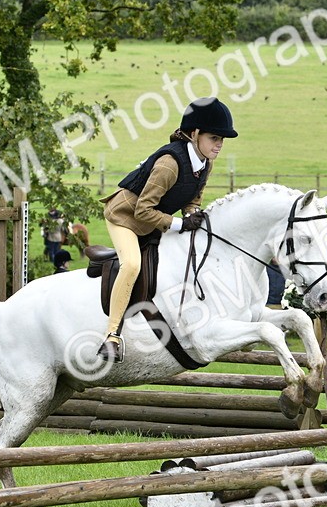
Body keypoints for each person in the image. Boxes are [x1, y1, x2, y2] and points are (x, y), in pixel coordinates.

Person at [97, 96, 236, 362]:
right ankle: (112, 336)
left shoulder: (205, 162)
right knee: (132, 265)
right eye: (214, 138)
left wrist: (194, 217)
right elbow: (142, 211)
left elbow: (192, 200)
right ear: (195, 134)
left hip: (153, 222)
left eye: (222, 140)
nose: (219, 145)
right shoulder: (169, 164)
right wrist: (181, 224)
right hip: (125, 217)